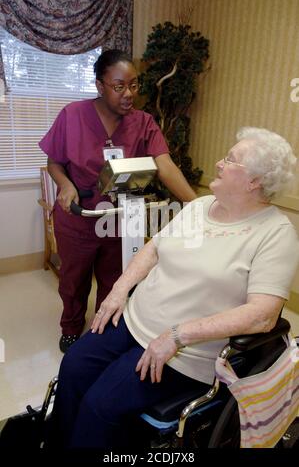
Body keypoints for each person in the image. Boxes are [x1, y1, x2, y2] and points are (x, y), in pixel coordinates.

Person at [48, 127, 299, 448]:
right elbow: (153, 250)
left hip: (183, 350)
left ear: (254, 181)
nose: (219, 164)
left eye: (230, 160)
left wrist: (178, 335)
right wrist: (119, 289)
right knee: (74, 365)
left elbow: (262, 316)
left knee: (101, 404)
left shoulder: (275, 235)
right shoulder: (200, 206)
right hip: (134, 320)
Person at [38, 49, 197, 353]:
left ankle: (103, 329)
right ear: (100, 85)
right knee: (74, 280)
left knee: (115, 281)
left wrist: (196, 203)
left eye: (135, 85)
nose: (129, 94)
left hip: (120, 217)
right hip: (79, 216)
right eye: (119, 86)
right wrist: (65, 185)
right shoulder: (72, 115)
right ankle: (71, 326)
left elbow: (164, 164)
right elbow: (54, 161)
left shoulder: (144, 122)